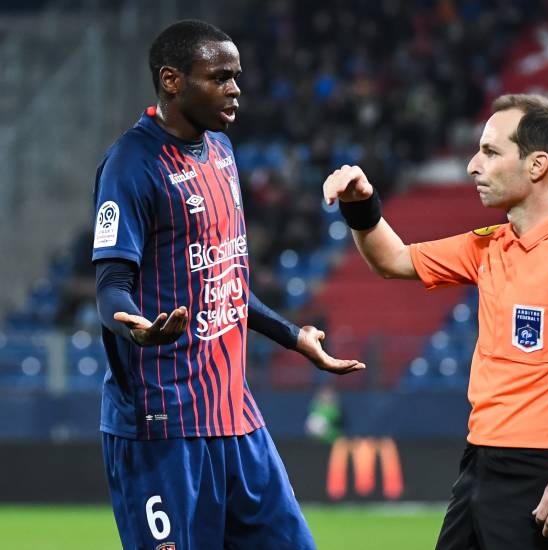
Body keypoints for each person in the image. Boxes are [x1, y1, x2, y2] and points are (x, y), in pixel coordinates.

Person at [323, 94, 548, 549]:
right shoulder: (489, 244)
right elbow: (391, 259)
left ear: (537, 166)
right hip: (478, 463)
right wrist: (361, 203)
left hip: (544, 472)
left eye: (491, 152)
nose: (473, 166)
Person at [91, 20, 364, 549]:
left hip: (236, 418)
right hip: (162, 426)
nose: (235, 89)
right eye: (220, 77)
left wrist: (292, 336)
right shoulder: (130, 165)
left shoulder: (221, 150)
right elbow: (110, 286)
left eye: (236, 77)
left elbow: (228, 279)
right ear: (172, 80)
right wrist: (136, 327)